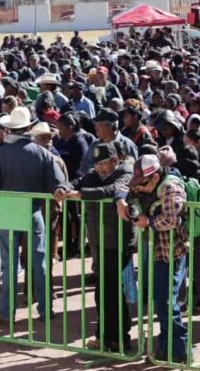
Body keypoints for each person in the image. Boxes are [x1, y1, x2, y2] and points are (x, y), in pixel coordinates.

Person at [0, 107, 65, 324]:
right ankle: (46, 309)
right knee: (40, 262)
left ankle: (7, 312)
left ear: (9, 129)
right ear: (28, 128)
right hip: (33, 210)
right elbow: (57, 183)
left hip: (8, 210)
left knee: (9, 264)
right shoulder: (43, 153)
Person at [55, 142, 133, 352]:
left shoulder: (125, 172)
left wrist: (81, 194)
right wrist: (64, 188)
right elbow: (79, 181)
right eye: (97, 164)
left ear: (115, 161)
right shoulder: (94, 173)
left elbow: (111, 190)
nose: (98, 168)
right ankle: (110, 338)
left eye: (103, 164)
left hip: (116, 240)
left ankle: (113, 338)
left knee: (112, 292)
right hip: (99, 241)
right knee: (105, 290)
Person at [118, 154, 190, 362]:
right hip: (158, 249)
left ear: (156, 177)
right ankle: (165, 347)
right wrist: (121, 200)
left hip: (172, 251)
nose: (139, 188)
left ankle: (179, 350)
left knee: (167, 302)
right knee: (160, 301)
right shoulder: (147, 184)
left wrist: (147, 221)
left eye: (143, 183)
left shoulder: (170, 188)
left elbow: (172, 219)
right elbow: (125, 187)